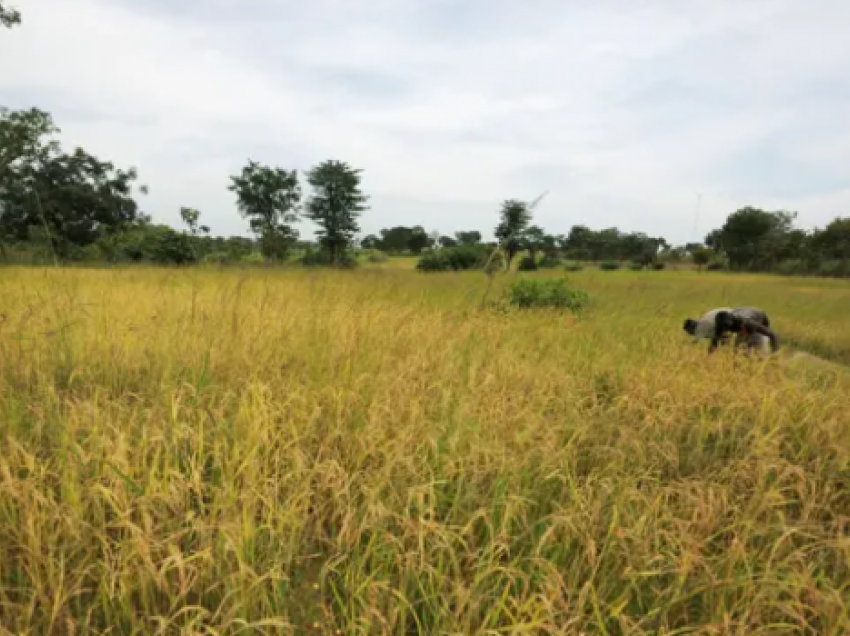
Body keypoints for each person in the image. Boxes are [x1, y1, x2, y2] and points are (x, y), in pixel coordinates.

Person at [683, 306, 779, 355]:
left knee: (755, 350)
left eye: (728, 329)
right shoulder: (721, 324)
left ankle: (769, 364)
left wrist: (775, 354)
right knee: (738, 349)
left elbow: (773, 334)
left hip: (760, 318)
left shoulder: (747, 323)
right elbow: (714, 343)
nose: (726, 331)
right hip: (742, 313)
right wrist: (708, 359)